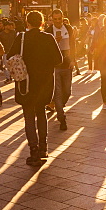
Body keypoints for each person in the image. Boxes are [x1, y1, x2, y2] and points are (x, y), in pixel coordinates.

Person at [10, 11, 62, 166]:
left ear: (27, 23)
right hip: (44, 83)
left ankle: (33, 150)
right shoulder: (48, 38)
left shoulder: (21, 38)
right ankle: (43, 148)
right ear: (42, 23)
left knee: (28, 115)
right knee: (41, 113)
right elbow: (58, 60)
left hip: (27, 83)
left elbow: (10, 55)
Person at [45, 10, 75, 131]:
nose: (57, 21)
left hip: (67, 64)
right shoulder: (48, 32)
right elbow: (46, 50)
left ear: (63, 18)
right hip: (55, 66)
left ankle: (59, 106)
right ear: (51, 19)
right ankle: (61, 117)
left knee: (67, 91)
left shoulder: (68, 28)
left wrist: (74, 59)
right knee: (57, 92)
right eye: (55, 19)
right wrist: (55, 42)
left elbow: (73, 44)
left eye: (59, 19)